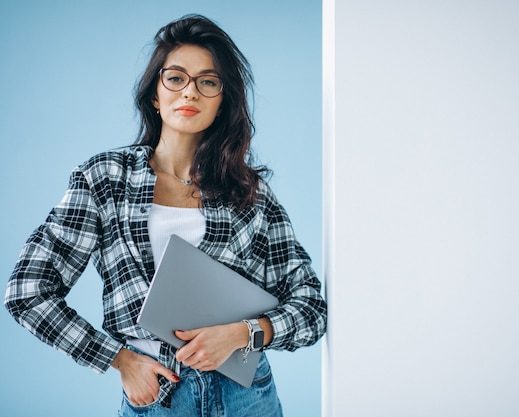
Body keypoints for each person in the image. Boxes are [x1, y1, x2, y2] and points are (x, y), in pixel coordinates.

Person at [4, 14, 327, 416]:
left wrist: (242, 334)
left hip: (246, 396)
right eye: (175, 78)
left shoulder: (250, 192)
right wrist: (118, 359)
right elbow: (27, 292)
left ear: (222, 100)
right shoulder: (106, 178)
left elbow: (311, 307)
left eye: (208, 82)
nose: (190, 92)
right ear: (155, 95)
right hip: (158, 396)